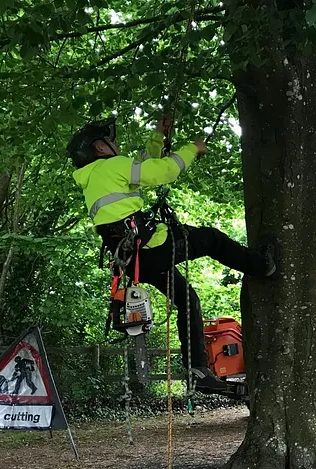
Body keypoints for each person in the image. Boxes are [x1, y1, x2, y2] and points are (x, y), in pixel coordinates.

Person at [67, 116, 278, 393]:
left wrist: (157, 136)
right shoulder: (112, 166)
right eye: (111, 141)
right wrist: (193, 148)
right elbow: (163, 171)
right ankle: (262, 266)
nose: (115, 144)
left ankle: (198, 371)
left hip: (135, 260)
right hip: (154, 246)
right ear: (100, 148)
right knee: (212, 239)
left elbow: (141, 167)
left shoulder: (97, 177)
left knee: (187, 300)